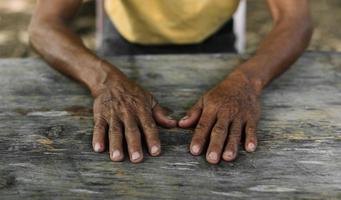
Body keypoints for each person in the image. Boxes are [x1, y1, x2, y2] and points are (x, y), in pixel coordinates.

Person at [28, 0, 313, 164]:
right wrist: (103, 81)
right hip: (125, 40)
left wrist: (248, 82)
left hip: (215, 37)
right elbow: (44, 25)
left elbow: (296, 18)